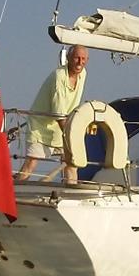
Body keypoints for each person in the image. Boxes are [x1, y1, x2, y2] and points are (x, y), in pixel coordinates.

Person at [15, 44, 89, 183]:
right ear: (68, 58)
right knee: (31, 163)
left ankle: (71, 193)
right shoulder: (59, 76)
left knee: (71, 163)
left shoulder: (83, 74)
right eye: (76, 58)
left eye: (83, 59)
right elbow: (58, 113)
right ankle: (15, 191)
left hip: (63, 127)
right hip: (41, 126)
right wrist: (72, 135)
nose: (80, 62)